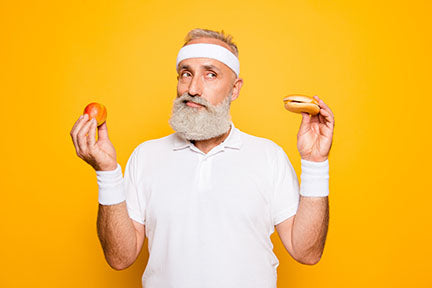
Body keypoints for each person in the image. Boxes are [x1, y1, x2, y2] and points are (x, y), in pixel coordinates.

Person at [70, 28, 335, 288]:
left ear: (234, 89)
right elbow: (120, 258)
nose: (193, 89)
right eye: (186, 74)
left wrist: (315, 164)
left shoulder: (269, 157)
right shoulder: (145, 156)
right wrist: (107, 173)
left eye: (210, 75)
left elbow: (307, 252)